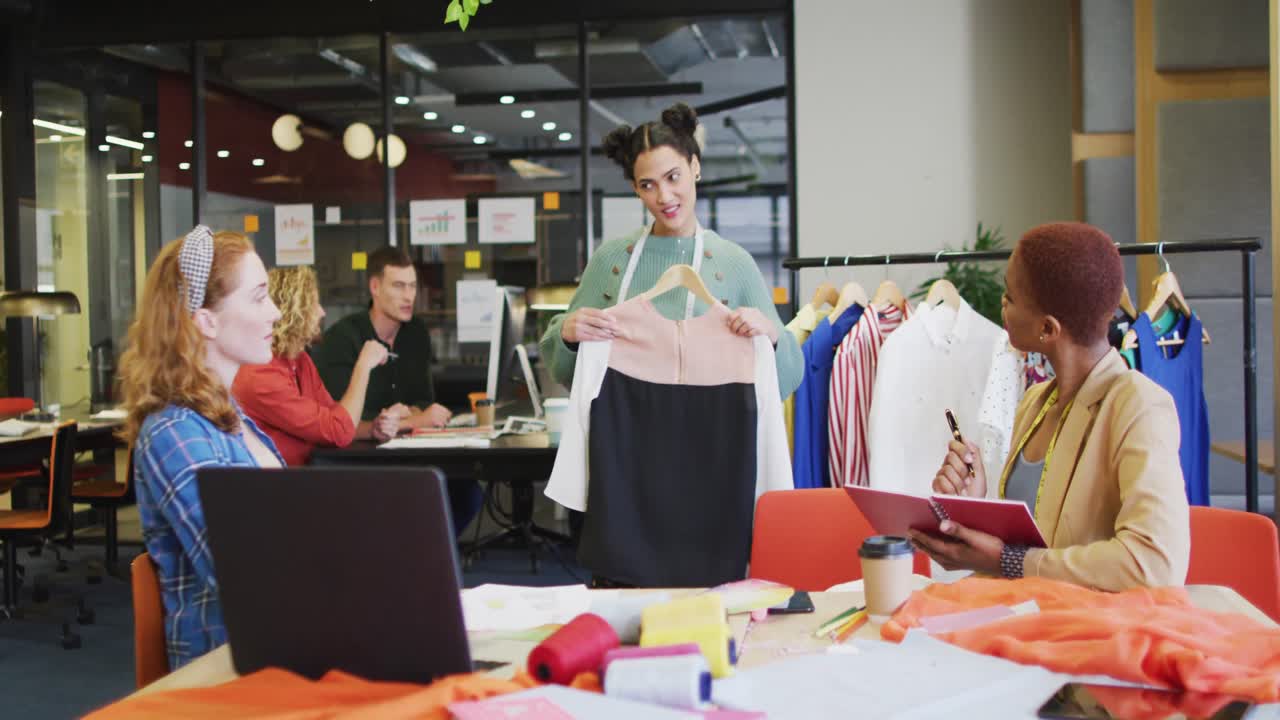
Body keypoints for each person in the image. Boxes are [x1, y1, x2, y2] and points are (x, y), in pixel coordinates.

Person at [911, 222, 1190, 591]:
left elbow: (1154, 563)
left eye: (1010, 297)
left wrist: (1005, 560)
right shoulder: (1036, 402)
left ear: (1048, 329)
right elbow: (1033, 543)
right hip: (1027, 618)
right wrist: (972, 510)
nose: (1002, 305)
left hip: (1091, 637)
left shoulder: (1139, 406)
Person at [539, 102, 803, 399]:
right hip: (625, 437)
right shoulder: (610, 260)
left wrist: (772, 335)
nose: (664, 196)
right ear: (635, 189)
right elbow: (563, 372)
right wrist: (566, 335)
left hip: (711, 435)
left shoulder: (734, 262)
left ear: (695, 166)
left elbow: (788, 376)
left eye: (673, 177)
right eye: (647, 185)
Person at [118, 226, 284, 668]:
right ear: (206, 320)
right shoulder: (174, 430)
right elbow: (242, 570)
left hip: (278, 645)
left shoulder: (229, 418)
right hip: (231, 666)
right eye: (258, 296)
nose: (276, 311)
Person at [232, 266, 401, 466]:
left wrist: (371, 430)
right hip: (277, 488)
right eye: (313, 303)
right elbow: (339, 431)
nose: (322, 312)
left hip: (305, 479)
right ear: (294, 311)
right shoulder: (260, 374)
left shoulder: (299, 359)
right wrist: (363, 365)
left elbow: (336, 418)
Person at [311, 245, 451, 432]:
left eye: (413, 286)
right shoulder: (341, 339)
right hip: (357, 456)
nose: (409, 297)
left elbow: (424, 400)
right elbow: (336, 422)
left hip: (409, 451)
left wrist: (408, 412)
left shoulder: (417, 332)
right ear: (375, 287)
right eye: (399, 286)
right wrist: (410, 421)